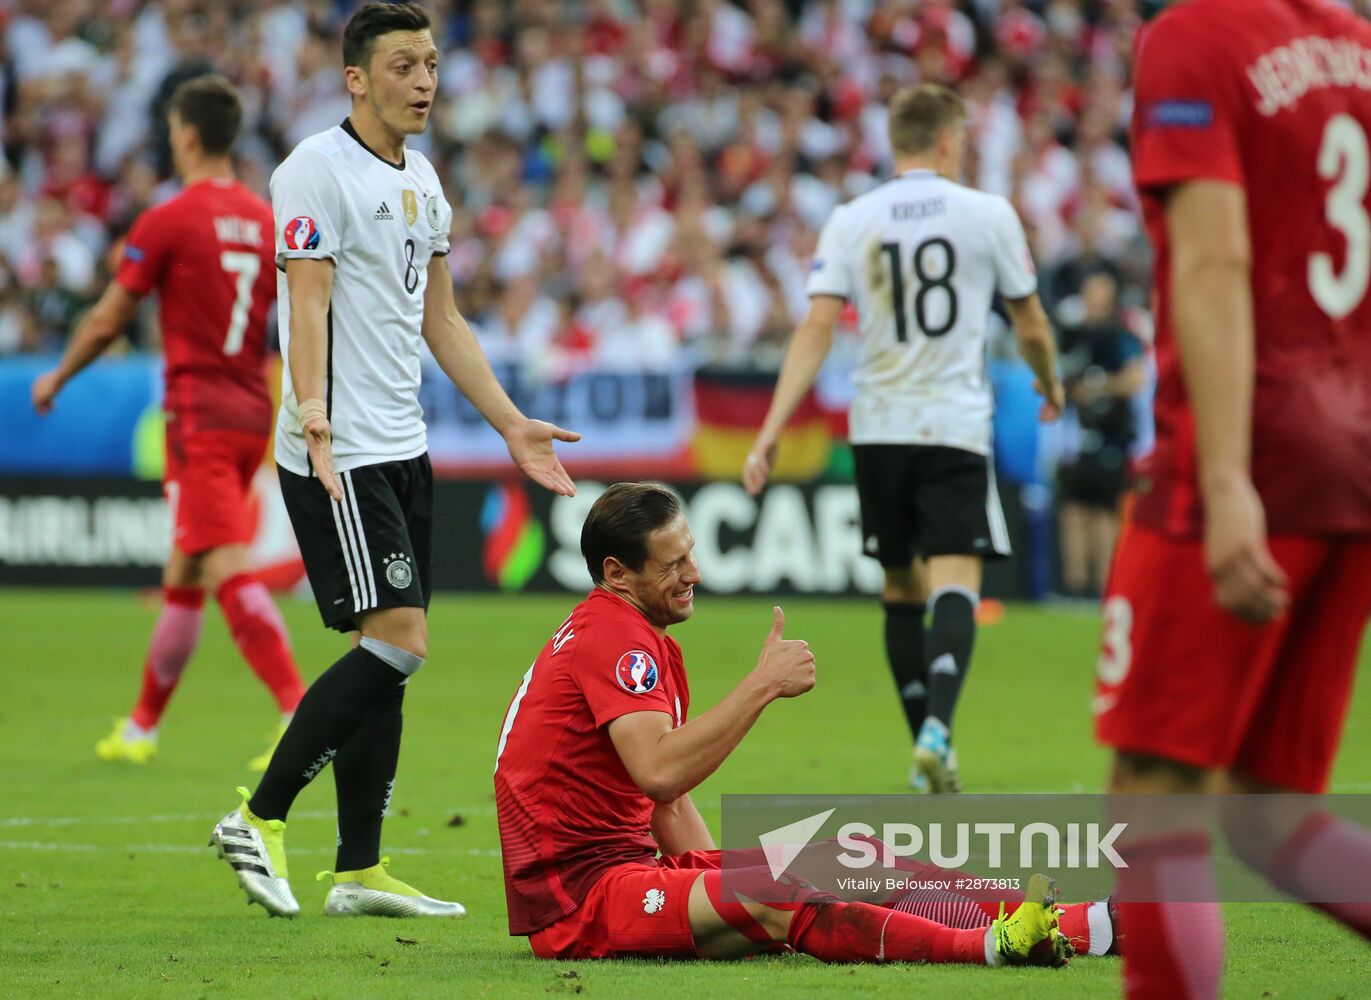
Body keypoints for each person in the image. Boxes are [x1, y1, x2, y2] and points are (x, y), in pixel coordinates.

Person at [208, 3, 579, 920]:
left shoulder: (424, 179)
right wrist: (316, 412)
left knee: (385, 650)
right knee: (400, 643)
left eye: (431, 64)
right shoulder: (312, 170)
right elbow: (306, 303)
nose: (425, 82)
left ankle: (359, 871)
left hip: (401, 442)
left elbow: (440, 319)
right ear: (356, 78)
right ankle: (257, 816)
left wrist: (508, 424)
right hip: (341, 450)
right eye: (404, 65)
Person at [493, 481, 1074, 965]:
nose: (694, 572)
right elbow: (660, 774)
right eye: (673, 564)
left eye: (690, 552)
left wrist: (706, 885)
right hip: (579, 898)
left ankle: (1071, 917)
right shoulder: (615, 638)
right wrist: (763, 684)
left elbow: (668, 804)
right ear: (618, 573)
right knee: (774, 894)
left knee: (849, 857)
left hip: (630, 869)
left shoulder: (638, 637)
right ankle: (990, 946)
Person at [1096, 1, 1371, 996]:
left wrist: (1224, 481)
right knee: (1267, 810)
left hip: (1249, 451)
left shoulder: (1197, 37)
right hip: (1352, 461)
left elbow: (1215, 261)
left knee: (1154, 797)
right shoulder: (1356, 50)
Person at [742, 84, 1064, 793]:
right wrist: (1049, 382)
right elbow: (1031, 323)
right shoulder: (988, 214)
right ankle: (938, 731)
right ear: (949, 140)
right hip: (950, 422)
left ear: (896, 141)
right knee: (956, 578)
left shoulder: (852, 219)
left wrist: (768, 432)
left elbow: (817, 328)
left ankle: (923, 740)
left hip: (878, 426)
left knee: (897, 584)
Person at [31, 75, 305, 771]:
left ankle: (298, 714)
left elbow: (109, 316)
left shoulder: (169, 218)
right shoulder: (264, 219)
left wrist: (59, 375)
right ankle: (142, 727)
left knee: (221, 563)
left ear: (183, 135)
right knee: (183, 571)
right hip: (251, 410)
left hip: (199, 417)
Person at [1054, 270, 1146, 597]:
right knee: (1073, 511)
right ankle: (1074, 587)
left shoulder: (1119, 337)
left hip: (1111, 438)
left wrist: (1096, 388)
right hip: (1076, 438)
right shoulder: (1075, 336)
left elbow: (1135, 379)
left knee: (1105, 514)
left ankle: (1103, 587)